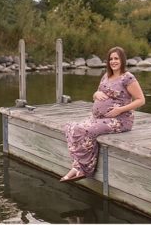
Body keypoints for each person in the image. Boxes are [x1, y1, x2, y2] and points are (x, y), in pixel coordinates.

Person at [59, 47, 146, 182]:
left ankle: (84, 169)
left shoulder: (127, 78)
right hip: (100, 118)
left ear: (122, 60)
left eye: (116, 58)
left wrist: (120, 110)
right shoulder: (106, 76)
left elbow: (141, 100)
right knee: (71, 127)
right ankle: (78, 166)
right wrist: (96, 94)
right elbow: (97, 94)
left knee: (85, 130)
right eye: (111, 59)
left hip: (120, 120)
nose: (113, 61)